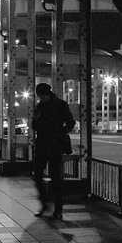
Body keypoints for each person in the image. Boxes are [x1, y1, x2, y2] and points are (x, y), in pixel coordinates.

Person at [32, 82, 75, 220]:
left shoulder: (61, 105)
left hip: (55, 145)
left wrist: (60, 133)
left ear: (48, 94)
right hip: (42, 144)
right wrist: (36, 121)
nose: (41, 99)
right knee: (37, 175)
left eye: (42, 96)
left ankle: (58, 208)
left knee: (56, 178)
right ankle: (44, 204)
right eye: (39, 96)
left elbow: (71, 122)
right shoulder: (40, 106)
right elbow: (35, 126)